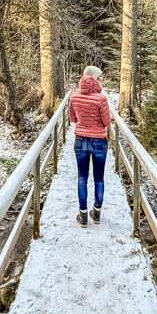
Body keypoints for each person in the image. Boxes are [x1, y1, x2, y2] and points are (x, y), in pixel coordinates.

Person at [68, 65, 111, 228]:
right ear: (93, 78)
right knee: (99, 178)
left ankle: (83, 215)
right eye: (100, 77)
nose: (102, 79)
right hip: (99, 141)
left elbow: (73, 118)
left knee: (82, 178)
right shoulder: (101, 99)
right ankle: (97, 212)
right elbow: (106, 122)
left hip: (80, 139)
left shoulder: (74, 96)